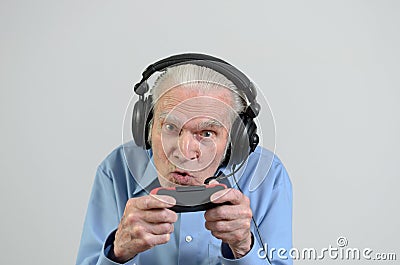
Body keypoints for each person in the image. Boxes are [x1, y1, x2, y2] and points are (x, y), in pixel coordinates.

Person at [76, 53, 293, 265]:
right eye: (170, 127)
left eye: (206, 133)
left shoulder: (268, 176)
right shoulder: (116, 170)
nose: (184, 152)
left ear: (235, 141)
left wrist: (244, 248)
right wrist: (118, 252)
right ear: (147, 127)